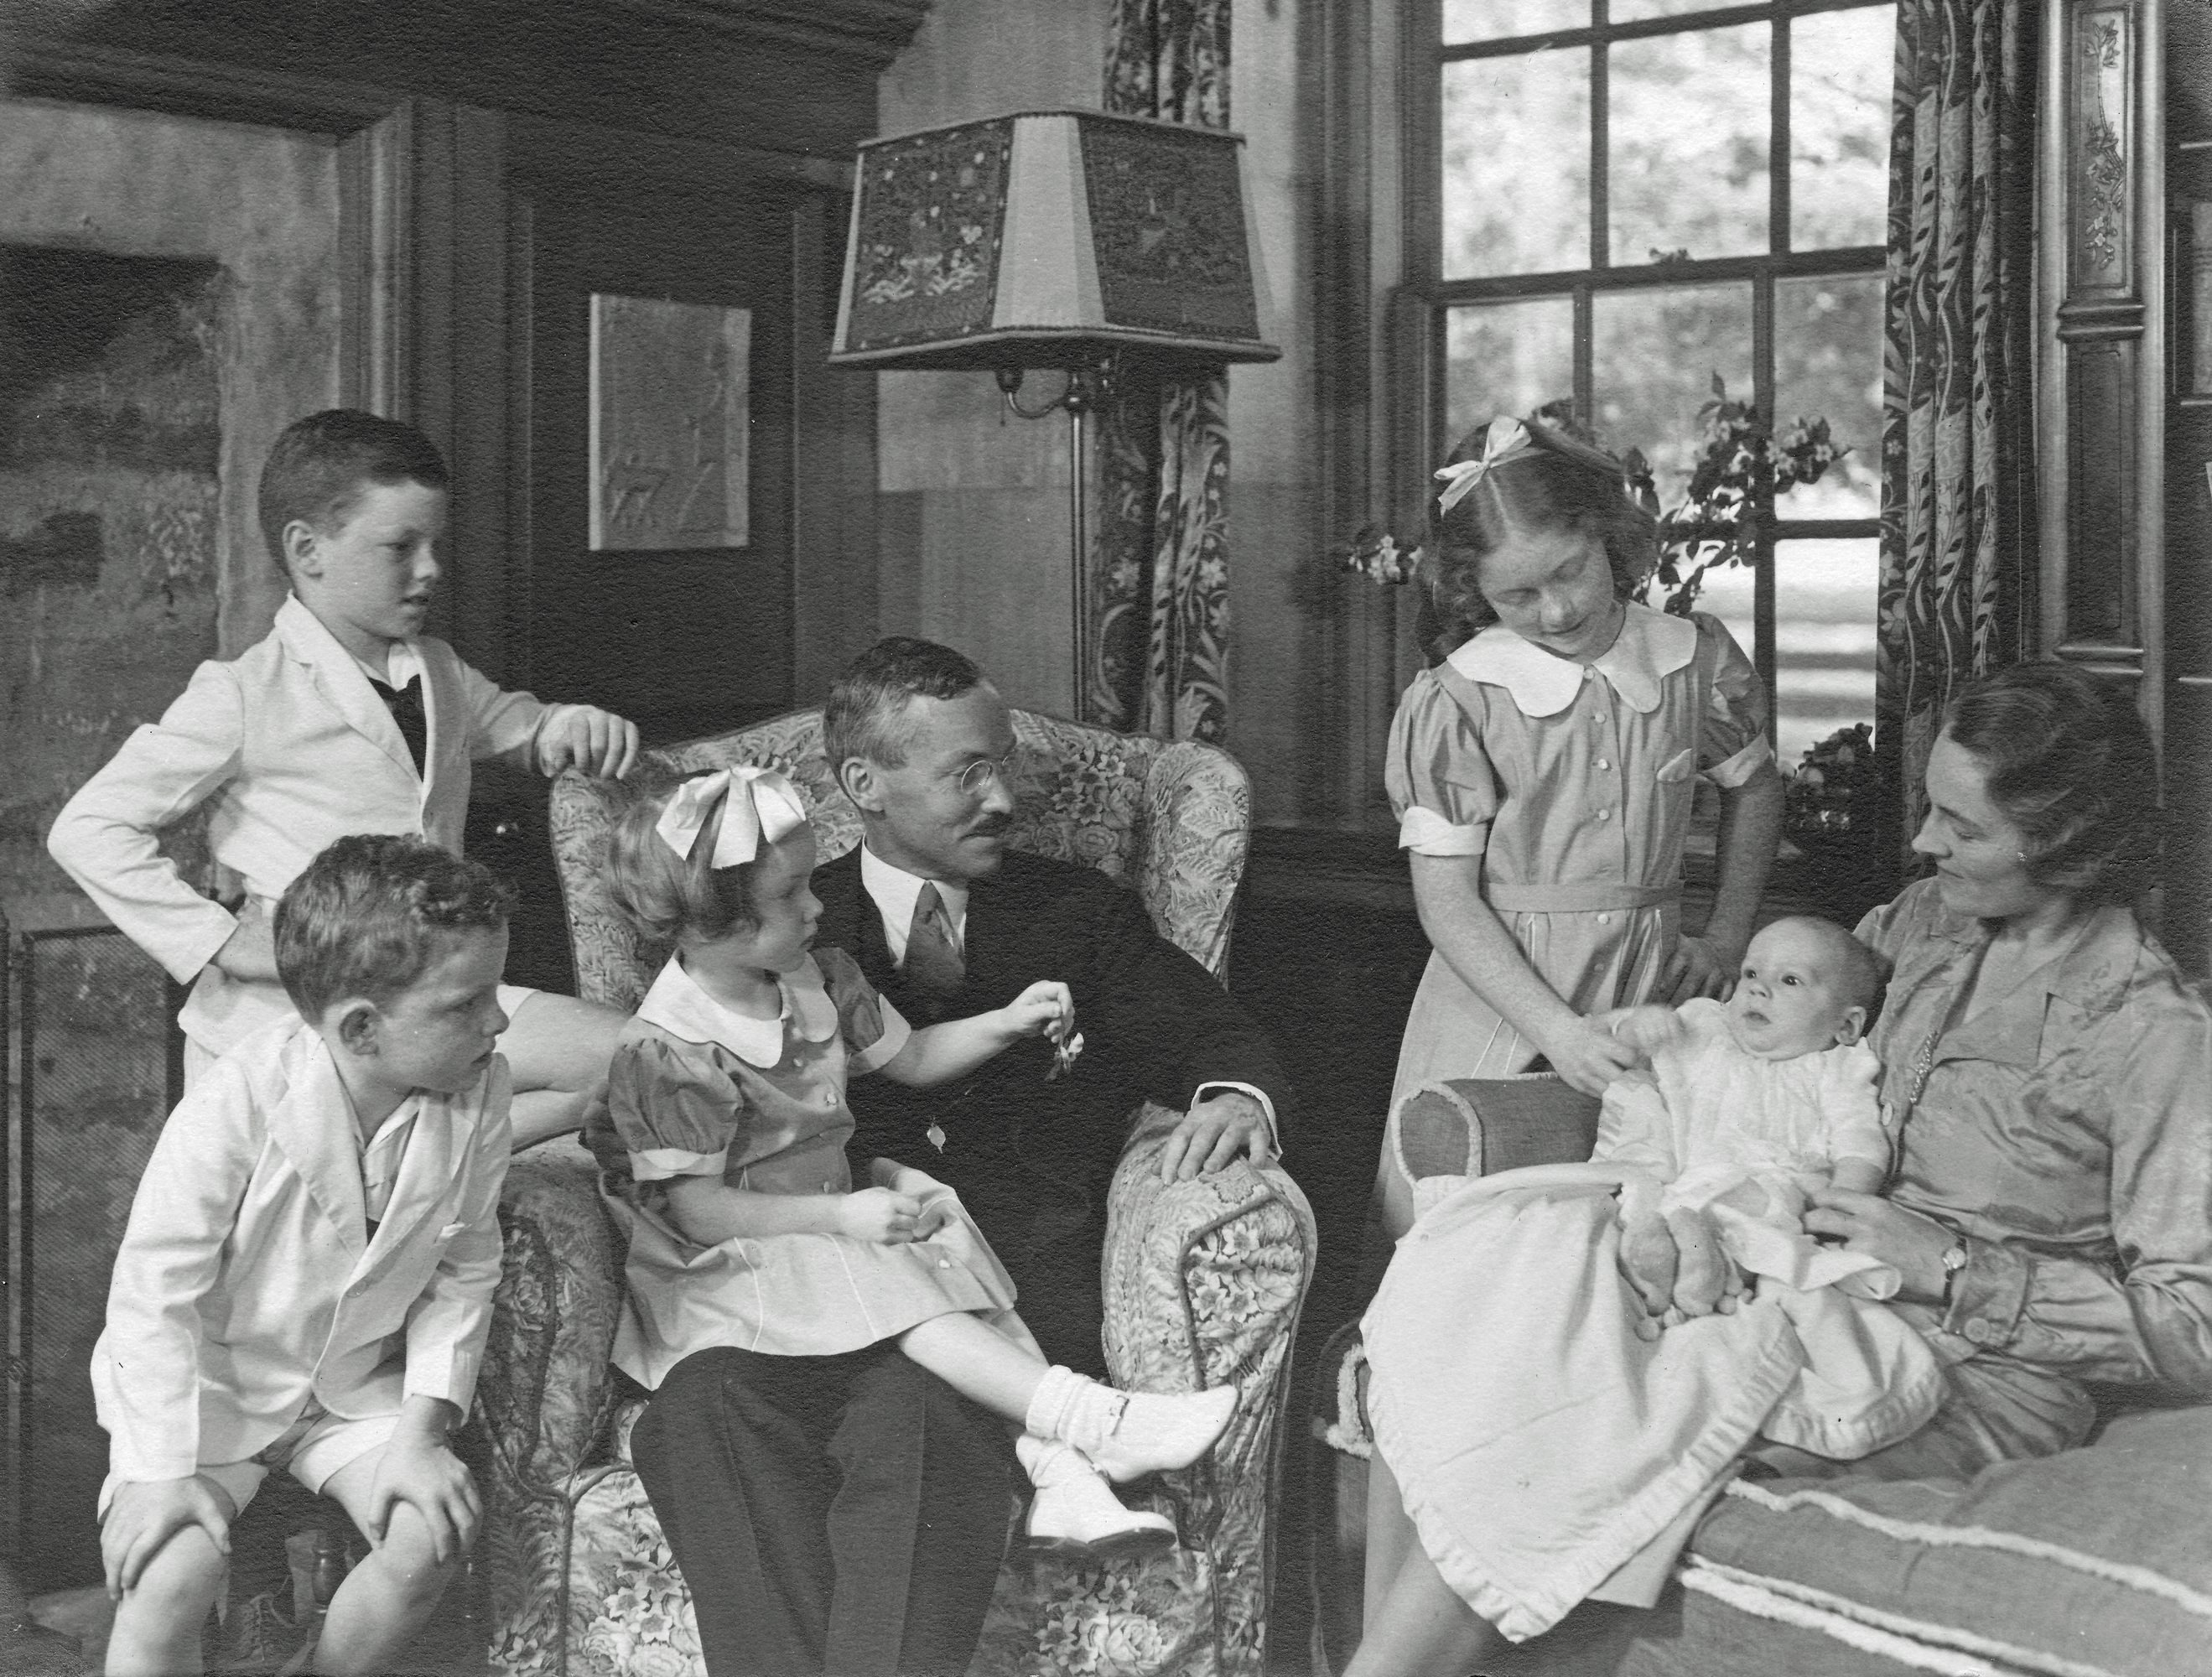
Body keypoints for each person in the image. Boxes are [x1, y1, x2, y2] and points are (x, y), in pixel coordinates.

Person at [1346, 660, 2212, 1676]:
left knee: (1563, 1427)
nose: (1924, 841)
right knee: (1477, 1330)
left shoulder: (2153, 1035)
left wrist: (1954, 1266)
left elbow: (2190, 1323)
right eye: (1931, 810)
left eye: (1961, 827)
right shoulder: (1915, 928)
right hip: (1789, 1281)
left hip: (1960, 1368)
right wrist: (1667, 1064)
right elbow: (1780, 1063)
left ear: (2064, 842)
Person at [590, 769, 1238, 1674]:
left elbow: (917, 1056)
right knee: (874, 1273)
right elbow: (696, 1208)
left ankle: (1062, 1468)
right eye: (791, 895)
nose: (820, 906)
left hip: (826, 1222)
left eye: (813, 881)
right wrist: (838, 1212)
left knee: (933, 1240)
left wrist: (1009, 1020)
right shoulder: (669, 1047)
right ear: (713, 925)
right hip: (735, 1258)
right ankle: (1081, 1422)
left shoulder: (820, 973)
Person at [47, 408, 639, 1148]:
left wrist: (566, 725)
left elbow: (522, 728)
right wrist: (220, 942)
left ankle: (426, 1163)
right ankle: (392, 1165)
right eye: (401, 546)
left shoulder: (437, 669)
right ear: (308, 549)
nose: (431, 569)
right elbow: (88, 829)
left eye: (434, 545)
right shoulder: (244, 691)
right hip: (302, 1017)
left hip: (435, 995)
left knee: (635, 1058)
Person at [1358, 916, 1945, 1645]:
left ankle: (1683, 1286)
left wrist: (1836, 1206)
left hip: (1768, 1208)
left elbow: (1860, 1148)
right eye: (1753, 972)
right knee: (1519, 1248)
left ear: (1846, 1023)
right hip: (1674, 1198)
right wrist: (1638, 1025)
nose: (1758, 988)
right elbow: (1624, 1051)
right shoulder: (1704, 1031)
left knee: (1732, 1255)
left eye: (1789, 982)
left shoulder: (1838, 1071)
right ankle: (1660, 1273)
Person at [92, 834, 516, 1677]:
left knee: (427, 1532)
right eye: (466, 1003)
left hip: (348, 1393)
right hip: (212, 1390)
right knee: (171, 1572)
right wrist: (158, 1472)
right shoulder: (241, 1096)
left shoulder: (480, 1090)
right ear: (361, 1027)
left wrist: (421, 1436)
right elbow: (153, 1291)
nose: (498, 1020)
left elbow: (464, 1266)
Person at [815, 636, 1293, 1373]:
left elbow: (1202, 1031)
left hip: (1039, 1288)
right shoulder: (790, 926)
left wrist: (1234, 1097)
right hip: (854, 1280)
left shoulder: (1079, 914)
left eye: (1003, 765)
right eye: (968, 774)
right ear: (864, 783)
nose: (1003, 800)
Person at [1374, 413, 1787, 1239]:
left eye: (1570, 573)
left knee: (1637, 1210)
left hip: (1648, 979)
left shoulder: (1688, 659)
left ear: (1610, 540)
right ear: (1472, 593)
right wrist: (1554, 1031)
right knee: (1467, 1209)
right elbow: (1447, 901)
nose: (1556, 609)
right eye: (1517, 595)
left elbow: (1757, 785)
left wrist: (1728, 932)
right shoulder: (1460, 697)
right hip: (1502, 992)